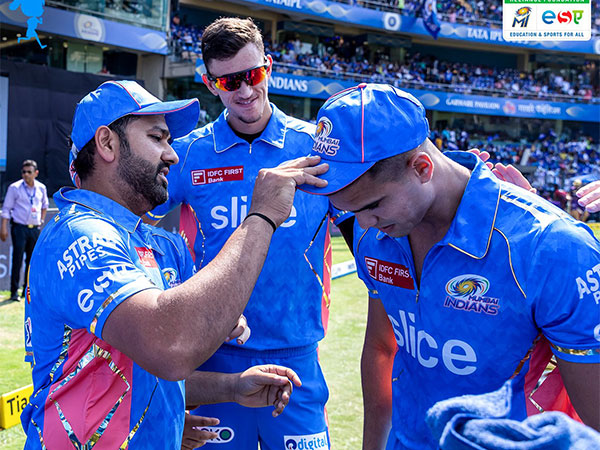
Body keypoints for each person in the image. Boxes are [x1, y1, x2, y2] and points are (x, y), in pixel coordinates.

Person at [22, 79, 328, 448]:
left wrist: (231, 387)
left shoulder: (159, 243)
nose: (172, 155)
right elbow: (169, 347)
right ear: (107, 143)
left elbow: (140, 370)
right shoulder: (81, 235)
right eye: (157, 138)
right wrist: (261, 217)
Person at [300, 83, 600, 449]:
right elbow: (383, 347)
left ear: (422, 168)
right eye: (351, 209)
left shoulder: (551, 247)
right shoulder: (373, 235)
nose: (363, 224)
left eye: (373, 205)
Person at [145, 17, 353, 449]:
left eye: (252, 74)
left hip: (297, 359)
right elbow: (132, 222)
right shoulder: (189, 154)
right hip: (214, 360)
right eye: (229, 81)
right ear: (209, 83)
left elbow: (368, 219)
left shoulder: (315, 147)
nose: (243, 91)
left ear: (269, 66)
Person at [1, 159, 48, 301]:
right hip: (19, 227)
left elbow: (45, 205)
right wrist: (3, 227)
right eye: (24, 172)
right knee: (17, 259)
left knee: (32, 261)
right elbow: (6, 209)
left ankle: (26, 291)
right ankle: (14, 291)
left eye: (29, 172)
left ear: (36, 173)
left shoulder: (41, 188)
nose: (26, 174)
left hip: (34, 228)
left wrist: (41, 220)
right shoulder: (15, 188)